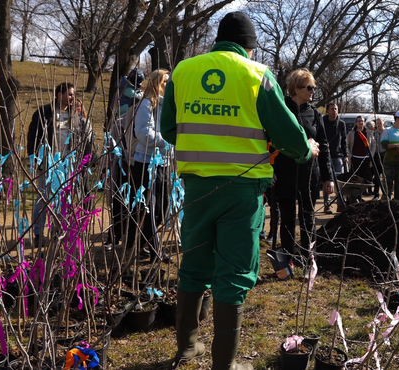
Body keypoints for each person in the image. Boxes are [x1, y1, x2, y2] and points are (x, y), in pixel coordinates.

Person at [159, 11, 317, 369]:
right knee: (233, 273)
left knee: (195, 264)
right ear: (249, 46)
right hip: (242, 191)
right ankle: (224, 364)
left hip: (196, 187)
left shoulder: (183, 71)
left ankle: (187, 346)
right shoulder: (258, 74)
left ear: (218, 40)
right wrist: (306, 149)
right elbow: (289, 135)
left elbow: (170, 129)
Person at [275, 68, 334, 268]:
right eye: (309, 87)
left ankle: (309, 258)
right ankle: (289, 259)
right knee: (288, 218)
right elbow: (269, 141)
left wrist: (329, 177)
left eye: (314, 88)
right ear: (295, 88)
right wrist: (270, 169)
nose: (313, 91)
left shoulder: (315, 114)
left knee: (308, 216)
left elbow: (324, 146)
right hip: (285, 173)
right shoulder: (281, 110)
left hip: (310, 174)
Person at [27, 82, 94, 248]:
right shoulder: (44, 113)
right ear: (59, 94)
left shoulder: (76, 116)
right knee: (43, 198)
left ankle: (59, 230)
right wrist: (34, 158)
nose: (72, 97)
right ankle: (37, 233)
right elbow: (32, 137)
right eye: (70, 94)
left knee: (65, 199)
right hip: (48, 162)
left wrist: (84, 160)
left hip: (68, 164)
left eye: (73, 94)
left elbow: (84, 139)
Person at [128, 69, 172, 262]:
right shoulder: (146, 105)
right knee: (149, 207)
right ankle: (155, 250)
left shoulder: (168, 106)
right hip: (146, 162)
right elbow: (144, 133)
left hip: (164, 162)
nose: (167, 86)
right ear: (155, 83)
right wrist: (167, 140)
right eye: (164, 82)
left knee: (162, 207)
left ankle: (140, 243)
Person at [322, 102, 347, 213]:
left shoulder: (341, 124)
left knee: (340, 182)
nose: (334, 111)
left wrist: (346, 155)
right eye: (332, 109)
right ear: (328, 110)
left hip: (338, 156)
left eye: (336, 109)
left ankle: (340, 204)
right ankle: (327, 205)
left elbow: (344, 140)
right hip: (325, 156)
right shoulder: (322, 121)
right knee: (327, 181)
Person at [347, 116, 372, 190]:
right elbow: (346, 144)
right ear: (356, 123)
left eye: (362, 121)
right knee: (356, 178)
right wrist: (349, 154)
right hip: (355, 158)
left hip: (366, 159)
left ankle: (363, 192)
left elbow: (373, 144)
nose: (361, 122)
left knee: (364, 177)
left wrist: (371, 154)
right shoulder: (352, 133)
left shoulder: (368, 133)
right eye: (359, 121)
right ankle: (356, 194)